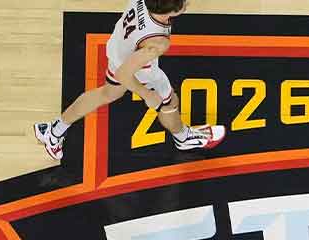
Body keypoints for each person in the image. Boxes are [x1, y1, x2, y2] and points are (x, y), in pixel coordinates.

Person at [33, 0, 226, 160]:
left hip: (118, 52)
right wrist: (146, 94)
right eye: (183, 3)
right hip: (138, 70)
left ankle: (55, 131)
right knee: (169, 102)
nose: (188, 3)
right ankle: (183, 138)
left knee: (107, 93)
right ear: (172, 11)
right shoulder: (158, 42)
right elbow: (124, 74)